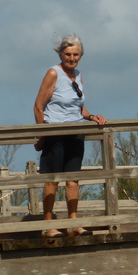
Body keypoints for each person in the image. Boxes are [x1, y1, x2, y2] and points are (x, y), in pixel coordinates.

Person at [33, 34, 107, 237]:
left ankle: (74, 222)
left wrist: (92, 116)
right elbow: (38, 106)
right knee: (53, 179)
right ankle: (48, 225)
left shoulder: (79, 75)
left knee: (73, 179)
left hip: (75, 132)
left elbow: (78, 107)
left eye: (75, 55)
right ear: (60, 54)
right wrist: (42, 135)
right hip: (55, 132)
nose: (71, 58)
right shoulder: (53, 73)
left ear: (80, 56)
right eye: (67, 54)